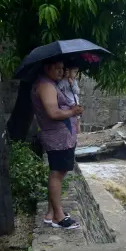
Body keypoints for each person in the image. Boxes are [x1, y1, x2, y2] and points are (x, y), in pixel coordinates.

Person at [31, 58, 84, 229]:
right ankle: (58, 217)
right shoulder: (45, 86)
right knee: (57, 174)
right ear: (47, 67)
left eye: (63, 68)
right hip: (57, 138)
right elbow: (53, 113)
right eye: (57, 68)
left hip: (62, 137)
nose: (61, 71)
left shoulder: (49, 83)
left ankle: (51, 213)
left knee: (58, 174)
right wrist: (72, 111)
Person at [57, 62, 81, 134]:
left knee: (78, 121)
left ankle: (79, 135)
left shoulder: (74, 81)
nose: (76, 74)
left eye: (77, 72)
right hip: (70, 104)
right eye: (74, 72)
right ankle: (74, 135)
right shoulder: (63, 81)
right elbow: (58, 88)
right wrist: (64, 79)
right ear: (68, 71)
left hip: (76, 103)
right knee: (73, 121)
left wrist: (72, 84)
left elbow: (77, 91)